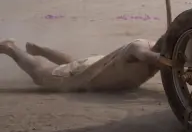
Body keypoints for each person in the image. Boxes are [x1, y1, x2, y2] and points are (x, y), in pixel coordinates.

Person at [0, 38, 162, 92]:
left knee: (76, 64)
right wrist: (173, 61)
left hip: (101, 66)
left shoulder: (152, 45)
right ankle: (10, 48)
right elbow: (151, 57)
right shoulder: (141, 47)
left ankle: (42, 51)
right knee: (42, 75)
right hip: (91, 76)